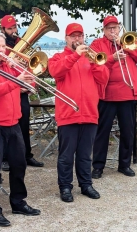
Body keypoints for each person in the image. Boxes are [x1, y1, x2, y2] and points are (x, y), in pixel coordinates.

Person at [48, 23, 109, 202]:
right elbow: (56, 72)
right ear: (66, 39)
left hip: (89, 113)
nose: (77, 39)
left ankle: (86, 184)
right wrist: (75, 56)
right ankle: (65, 187)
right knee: (66, 156)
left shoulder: (91, 58)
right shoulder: (58, 57)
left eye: (80, 36)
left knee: (85, 154)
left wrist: (94, 64)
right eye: (73, 36)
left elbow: (104, 78)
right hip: (68, 114)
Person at [0, 31, 40, 227]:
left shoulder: (9, 67)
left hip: (13, 123)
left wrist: (24, 75)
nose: (2, 50)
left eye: (3, 47)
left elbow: (31, 84)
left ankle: (18, 202)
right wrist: (14, 83)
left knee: (19, 165)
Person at [90, 15, 137, 179]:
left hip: (128, 92)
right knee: (102, 132)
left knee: (128, 131)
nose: (113, 31)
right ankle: (98, 166)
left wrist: (124, 45)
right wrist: (112, 58)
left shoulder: (128, 41)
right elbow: (94, 64)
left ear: (119, 28)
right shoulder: (97, 44)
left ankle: (124, 164)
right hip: (106, 94)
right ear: (104, 30)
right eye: (109, 28)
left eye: (115, 28)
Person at [0, 15, 44, 170]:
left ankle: (27, 155)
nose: (13, 30)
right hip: (6, 92)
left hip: (22, 92)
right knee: (6, 126)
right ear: (3, 29)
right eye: (10, 28)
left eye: (14, 27)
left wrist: (30, 84)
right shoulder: (0, 46)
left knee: (24, 124)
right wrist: (10, 63)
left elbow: (29, 68)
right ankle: (4, 158)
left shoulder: (22, 44)